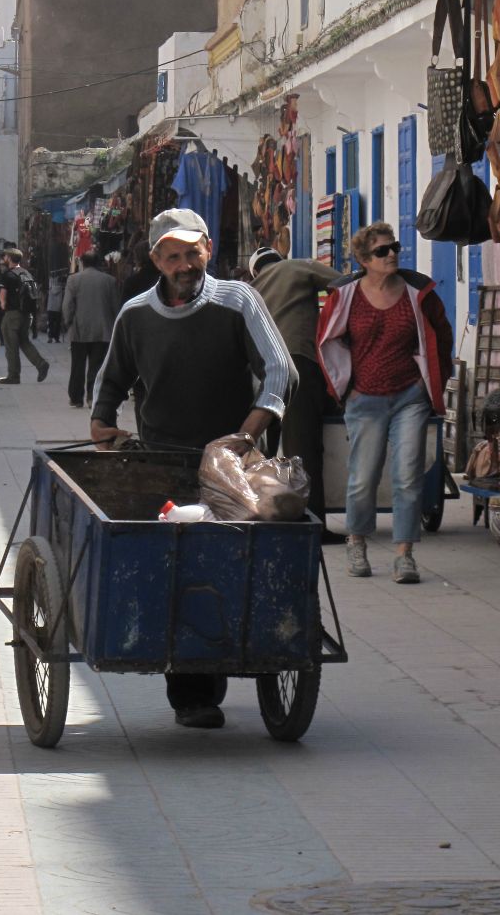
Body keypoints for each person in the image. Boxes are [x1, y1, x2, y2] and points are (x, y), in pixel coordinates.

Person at [91, 209, 296, 730]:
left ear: (208, 247)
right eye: (172, 255)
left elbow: (280, 370)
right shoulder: (135, 314)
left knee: (233, 560)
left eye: (192, 252)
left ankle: (227, 660)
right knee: (178, 567)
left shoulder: (238, 300)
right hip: (160, 460)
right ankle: (192, 691)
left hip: (232, 465)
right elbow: (112, 379)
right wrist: (101, 422)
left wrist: (246, 434)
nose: (184, 264)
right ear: (157, 260)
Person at [315, 221, 453, 585]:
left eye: (394, 248)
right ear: (363, 259)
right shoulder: (345, 296)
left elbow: (441, 333)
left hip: (410, 395)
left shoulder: (416, 291)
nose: (391, 254)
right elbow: (328, 340)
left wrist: (434, 381)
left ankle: (404, 554)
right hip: (365, 398)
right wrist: (345, 389)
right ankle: (356, 540)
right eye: (381, 251)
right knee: (363, 476)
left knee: (408, 475)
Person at [249, 247, 341, 535]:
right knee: (303, 447)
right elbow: (344, 283)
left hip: (262, 373)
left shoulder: (251, 288)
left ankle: (268, 511)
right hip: (297, 363)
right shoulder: (298, 267)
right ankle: (313, 526)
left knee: (265, 451)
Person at [63, 251, 121, 409]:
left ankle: (76, 397)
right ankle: (92, 397)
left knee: (77, 365)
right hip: (103, 331)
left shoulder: (73, 279)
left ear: (82, 262)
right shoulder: (109, 280)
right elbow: (116, 306)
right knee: (97, 365)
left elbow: (67, 305)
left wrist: (68, 322)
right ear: (98, 263)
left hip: (79, 329)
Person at [0, 249, 49, 386]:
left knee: (11, 346)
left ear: (9, 258)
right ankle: (41, 364)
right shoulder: (27, 273)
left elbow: (3, 294)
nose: (4, 258)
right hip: (27, 315)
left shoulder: (8, 275)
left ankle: (14, 375)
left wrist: (2, 304)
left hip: (13, 314)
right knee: (24, 341)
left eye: (6, 256)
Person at [44, 270, 65, 343]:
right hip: (58, 307)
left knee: (50, 323)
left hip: (50, 306)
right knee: (57, 323)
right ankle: (57, 337)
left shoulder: (50, 286)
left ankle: (50, 337)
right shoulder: (61, 288)